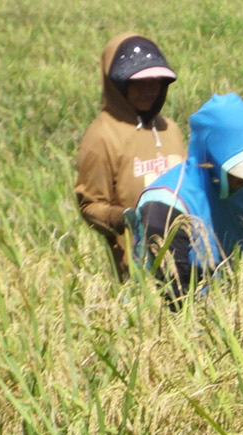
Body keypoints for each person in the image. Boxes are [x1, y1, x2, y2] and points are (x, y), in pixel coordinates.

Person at [134, 95, 243, 299]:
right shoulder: (166, 203)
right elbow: (172, 293)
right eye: (236, 169)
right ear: (210, 158)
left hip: (229, 302)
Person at [74, 33, 182, 275]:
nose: (148, 90)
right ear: (118, 84)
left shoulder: (170, 129)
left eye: (155, 82)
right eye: (138, 83)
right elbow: (90, 205)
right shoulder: (101, 136)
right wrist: (123, 217)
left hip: (183, 261)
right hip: (135, 271)